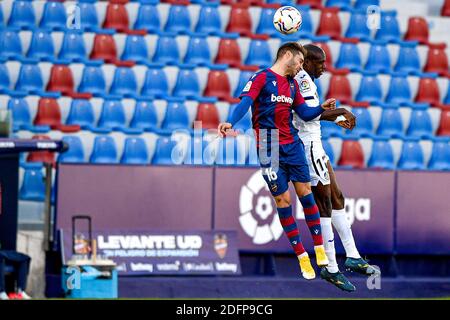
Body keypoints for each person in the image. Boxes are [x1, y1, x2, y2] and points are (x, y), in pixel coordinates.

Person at [218, 42, 336, 280]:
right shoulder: (261, 77)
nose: (302, 67)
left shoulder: (292, 85)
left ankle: (319, 250)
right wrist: (231, 121)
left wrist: (321, 109)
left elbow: (304, 113)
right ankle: (302, 256)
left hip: (292, 145)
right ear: (289, 56)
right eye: (300, 62)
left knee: (305, 193)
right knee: (283, 200)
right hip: (268, 147)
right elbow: (246, 102)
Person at [292, 43, 378, 291]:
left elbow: (310, 113)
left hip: (315, 144)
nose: (324, 67)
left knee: (337, 197)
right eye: (320, 63)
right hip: (308, 146)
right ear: (307, 62)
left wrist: (337, 117)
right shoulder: (304, 81)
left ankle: (352, 255)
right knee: (324, 204)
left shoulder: (306, 79)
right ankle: (330, 267)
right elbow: (308, 114)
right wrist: (341, 111)